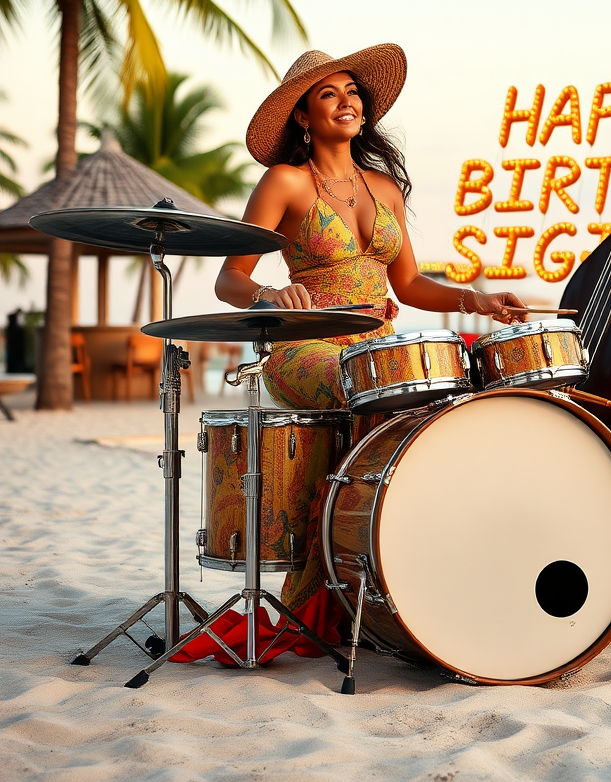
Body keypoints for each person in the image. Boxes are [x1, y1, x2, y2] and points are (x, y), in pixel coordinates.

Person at [179, 46, 527, 664]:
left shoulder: (384, 188)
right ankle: (337, 594)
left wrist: (478, 301)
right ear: (303, 118)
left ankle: (406, 580)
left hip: (374, 349)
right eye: (328, 94)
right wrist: (268, 293)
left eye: (353, 92)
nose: (347, 102)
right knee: (374, 392)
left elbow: (411, 286)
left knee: (434, 407)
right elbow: (228, 281)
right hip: (304, 348)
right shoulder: (285, 182)